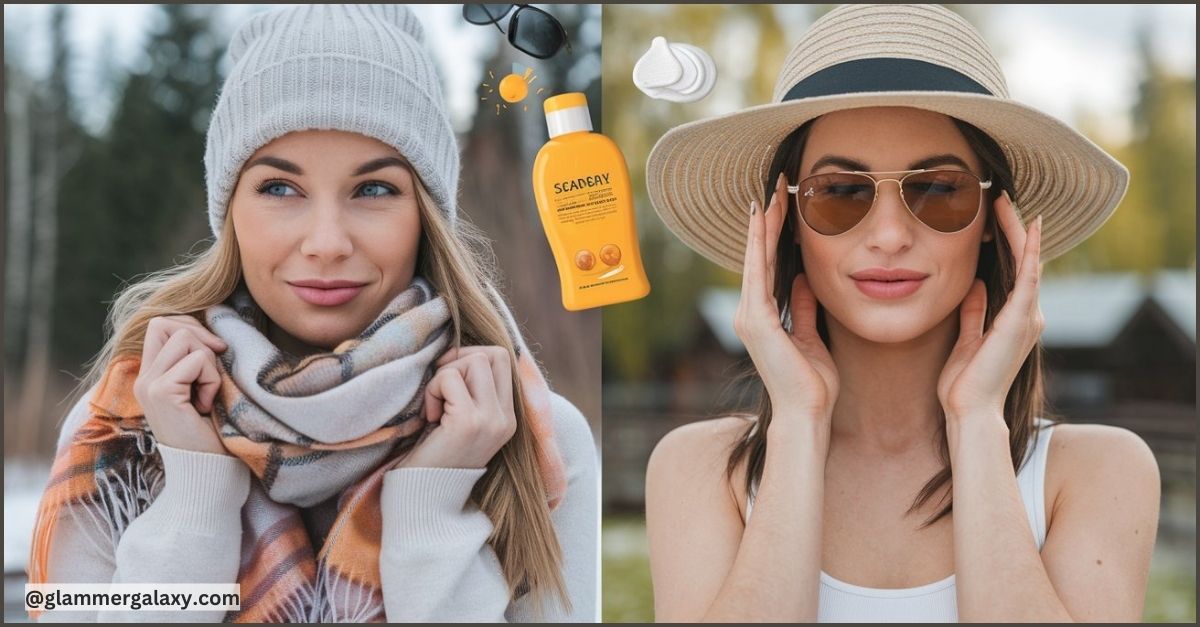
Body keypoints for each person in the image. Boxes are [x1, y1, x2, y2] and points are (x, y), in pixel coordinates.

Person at [28, 5, 597, 622]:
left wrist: (433, 504)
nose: (327, 242)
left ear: (426, 217)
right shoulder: (127, 421)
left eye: (374, 189)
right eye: (279, 188)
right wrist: (194, 487)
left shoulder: (531, 438)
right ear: (231, 213)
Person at [643, 4, 1159, 623]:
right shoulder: (698, 471)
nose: (889, 235)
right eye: (840, 193)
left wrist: (976, 423)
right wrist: (800, 425)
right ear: (788, 225)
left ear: (997, 223)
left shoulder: (1099, 472)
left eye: (938, 189)